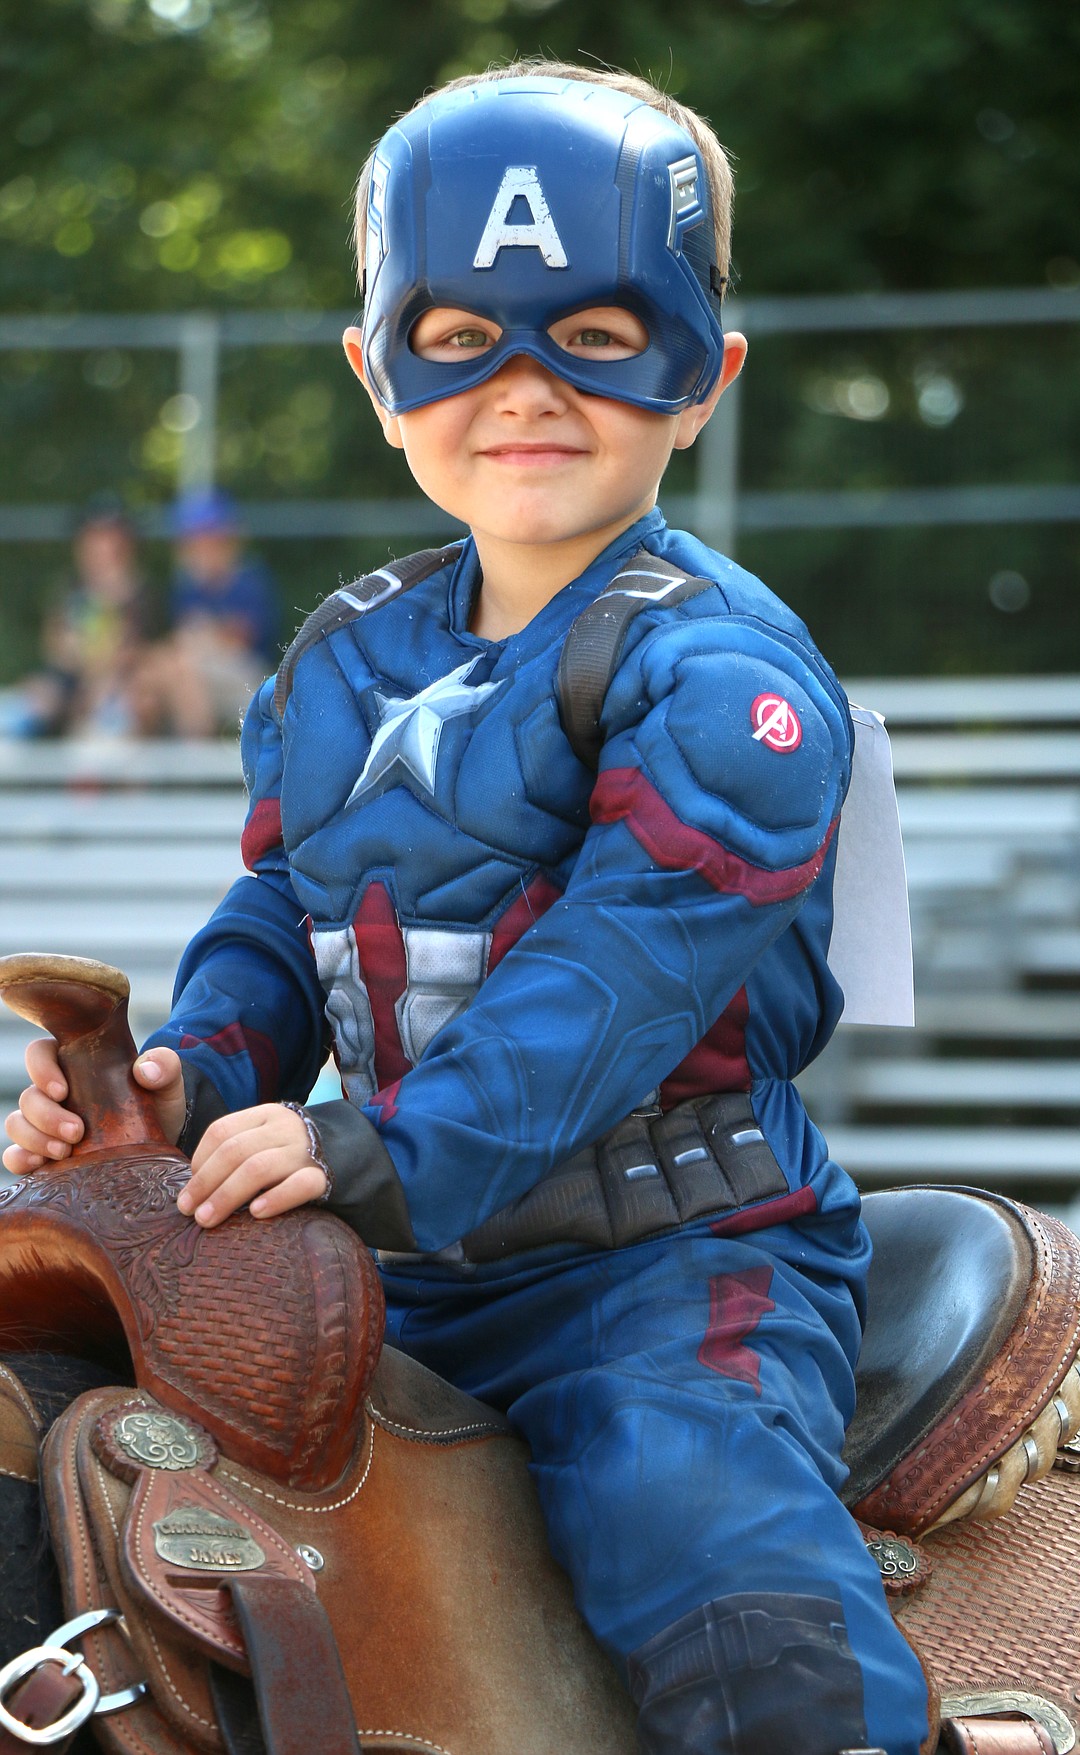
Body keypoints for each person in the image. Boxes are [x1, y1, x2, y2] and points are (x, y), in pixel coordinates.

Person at [5, 63, 933, 1754]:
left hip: (674, 1260)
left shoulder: (724, 674)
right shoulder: (343, 655)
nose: (523, 387)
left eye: (594, 335)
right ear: (376, 374)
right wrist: (194, 1077)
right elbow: (282, 911)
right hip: (397, 1258)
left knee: (698, 1530)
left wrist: (374, 1158)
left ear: (704, 376)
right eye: (458, 339)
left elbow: (616, 979)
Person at [133, 487, 277, 737]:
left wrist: (201, 638)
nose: (199, 549)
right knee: (149, 677)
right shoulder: (187, 588)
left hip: (249, 680)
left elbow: (242, 641)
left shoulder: (248, 581)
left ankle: (193, 756)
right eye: (192, 541)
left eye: (207, 539)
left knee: (182, 666)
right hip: (200, 675)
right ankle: (136, 764)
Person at [1, 496, 147, 738]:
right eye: (95, 538)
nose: (102, 547)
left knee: (109, 725)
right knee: (19, 710)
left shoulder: (141, 593)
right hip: (65, 684)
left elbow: (133, 653)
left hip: (117, 690)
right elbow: (55, 647)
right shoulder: (68, 587)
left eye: (110, 538)